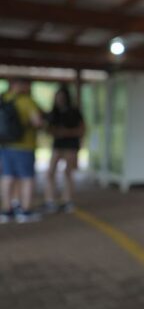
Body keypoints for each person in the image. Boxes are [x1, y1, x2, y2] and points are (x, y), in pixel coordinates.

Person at [0, 78, 44, 223]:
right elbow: (37, 122)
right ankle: (25, 210)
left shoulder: (3, 99)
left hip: (5, 145)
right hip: (24, 146)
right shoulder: (26, 101)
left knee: (7, 177)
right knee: (27, 178)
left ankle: (7, 210)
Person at [43, 85, 85, 213]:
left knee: (68, 172)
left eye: (61, 97)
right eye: (58, 97)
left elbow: (82, 129)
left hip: (71, 146)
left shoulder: (74, 111)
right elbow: (47, 129)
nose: (59, 99)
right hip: (58, 145)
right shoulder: (53, 112)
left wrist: (66, 132)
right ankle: (50, 200)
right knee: (50, 172)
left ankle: (67, 200)